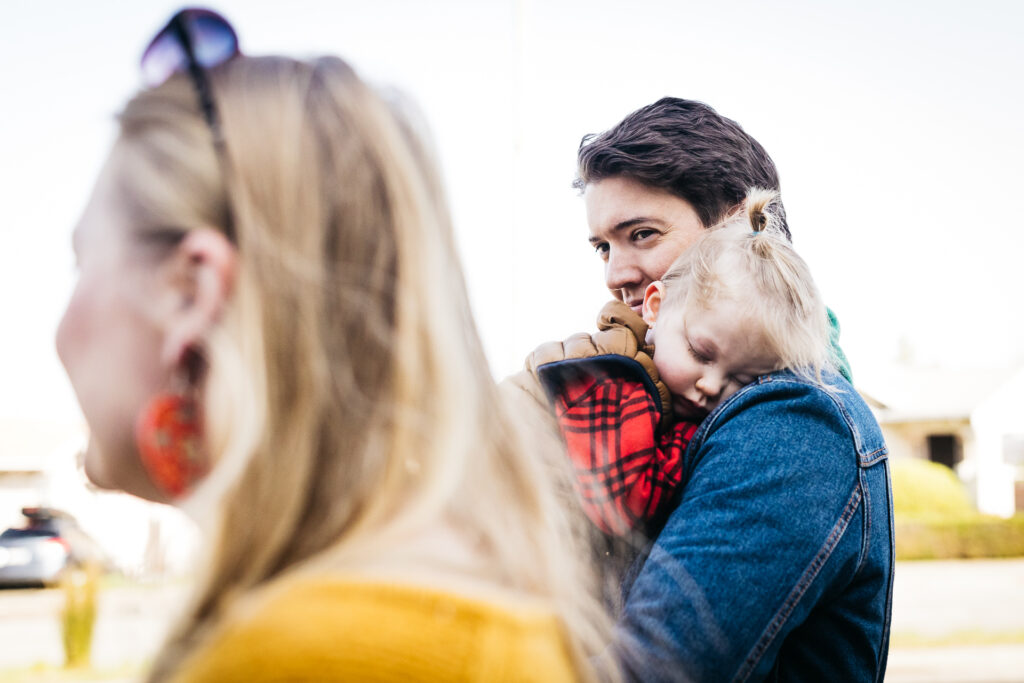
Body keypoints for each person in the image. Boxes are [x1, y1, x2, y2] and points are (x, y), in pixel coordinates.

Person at [55, 8, 612, 682]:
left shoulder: (296, 656)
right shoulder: (477, 612)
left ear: (190, 290)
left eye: (82, 261)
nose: (59, 330)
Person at [564, 99, 893, 681]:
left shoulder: (794, 416)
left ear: (740, 226)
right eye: (603, 247)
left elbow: (651, 668)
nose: (615, 272)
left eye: (641, 234)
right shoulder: (676, 405)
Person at [511, 189, 832, 546]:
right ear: (656, 306)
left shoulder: (654, 372)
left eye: (740, 381)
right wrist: (690, 439)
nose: (710, 386)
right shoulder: (615, 379)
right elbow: (625, 505)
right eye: (699, 352)